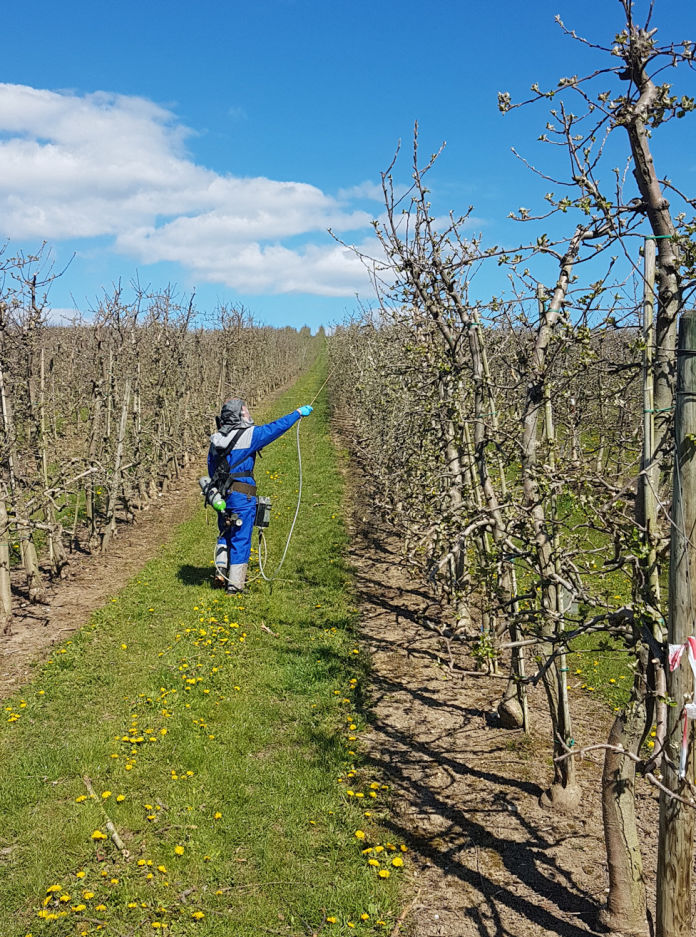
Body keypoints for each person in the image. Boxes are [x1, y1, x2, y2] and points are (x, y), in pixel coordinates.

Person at [208, 398, 313, 593]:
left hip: (221, 496)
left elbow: (211, 470)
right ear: (238, 416)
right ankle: (236, 585)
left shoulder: (216, 441)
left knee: (225, 530)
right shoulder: (249, 435)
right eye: (246, 412)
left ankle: (220, 569)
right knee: (241, 538)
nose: (249, 415)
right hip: (242, 496)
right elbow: (275, 428)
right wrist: (297, 413)